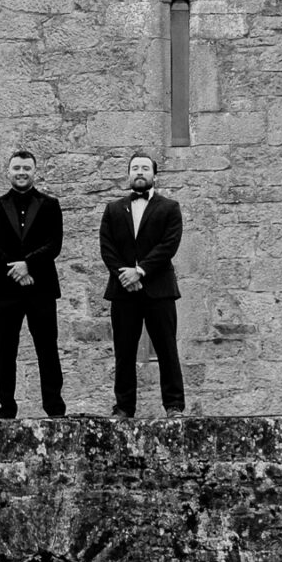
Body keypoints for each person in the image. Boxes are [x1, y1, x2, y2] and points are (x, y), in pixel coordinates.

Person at [0, 150, 67, 419]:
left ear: (34, 171)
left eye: (26, 168)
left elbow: (54, 244)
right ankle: (6, 408)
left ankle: (54, 408)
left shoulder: (50, 204)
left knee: (47, 348)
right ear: (8, 172)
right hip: (5, 290)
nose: (21, 172)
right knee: (6, 351)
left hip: (41, 287)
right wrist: (16, 269)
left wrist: (28, 264)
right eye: (17, 168)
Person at [99, 152, 185, 416]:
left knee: (166, 348)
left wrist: (140, 271)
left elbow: (168, 245)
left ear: (154, 175)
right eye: (135, 168)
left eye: (145, 168)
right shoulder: (113, 209)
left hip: (158, 289)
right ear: (128, 174)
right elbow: (107, 246)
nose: (139, 172)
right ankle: (124, 407)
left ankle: (173, 406)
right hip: (123, 290)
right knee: (124, 352)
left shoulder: (170, 207)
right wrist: (124, 275)